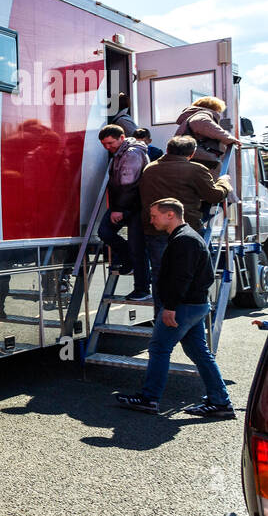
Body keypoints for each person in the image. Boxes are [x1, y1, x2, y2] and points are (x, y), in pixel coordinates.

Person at [115, 198, 233, 418]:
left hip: (183, 306)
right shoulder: (185, 237)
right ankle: (220, 402)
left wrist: (169, 307)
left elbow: (182, 278)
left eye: (154, 216)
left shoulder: (184, 240)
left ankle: (149, 399)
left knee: (159, 349)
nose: (151, 221)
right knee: (199, 352)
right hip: (194, 306)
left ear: (170, 215)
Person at [138, 134, 232, 286]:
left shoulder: (149, 168)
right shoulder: (195, 169)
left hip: (154, 228)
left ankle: (163, 309)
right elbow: (214, 196)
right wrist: (224, 182)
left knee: (160, 273)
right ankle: (188, 308)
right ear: (192, 153)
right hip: (187, 228)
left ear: (167, 150)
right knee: (192, 272)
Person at [97, 124, 151, 302]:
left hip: (134, 206)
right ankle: (129, 261)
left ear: (121, 138)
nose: (107, 147)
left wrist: (118, 209)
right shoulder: (122, 152)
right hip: (128, 204)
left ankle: (142, 289)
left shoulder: (131, 154)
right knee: (107, 233)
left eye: (110, 143)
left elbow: (127, 184)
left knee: (137, 247)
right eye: (104, 144)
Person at [176, 96, 241, 173]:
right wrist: (229, 139)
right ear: (214, 108)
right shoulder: (202, 115)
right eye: (218, 110)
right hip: (199, 161)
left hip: (189, 159)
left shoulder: (192, 116)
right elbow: (202, 123)